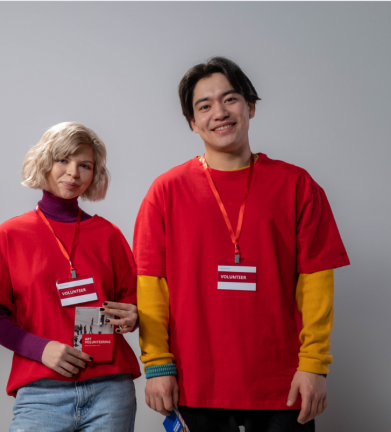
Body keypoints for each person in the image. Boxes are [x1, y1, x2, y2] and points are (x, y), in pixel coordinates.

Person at [134, 57, 350, 432]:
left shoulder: (297, 186)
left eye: (230, 99)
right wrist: (157, 365)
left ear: (250, 107)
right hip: (194, 384)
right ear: (192, 122)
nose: (219, 112)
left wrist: (314, 363)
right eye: (204, 106)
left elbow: (316, 283)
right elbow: (152, 286)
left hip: (283, 385)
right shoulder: (166, 191)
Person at [0, 122, 141, 431]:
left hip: (110, 391)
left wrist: (134, 316)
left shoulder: (109, 236)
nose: (73, 173)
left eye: (85, 165)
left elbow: (133, 304)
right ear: (45, 162)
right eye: (63, 160)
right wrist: (40, 349)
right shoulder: (10, 235)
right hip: (41, 391)